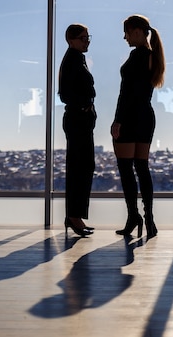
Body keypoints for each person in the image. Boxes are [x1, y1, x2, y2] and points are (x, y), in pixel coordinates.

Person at [111, 14, 165, 238]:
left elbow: (127, 94)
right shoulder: (153, 56)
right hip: (146, 116)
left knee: (125, 168)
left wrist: (118, 120)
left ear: (137, 31)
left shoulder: (137, 56)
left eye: (127, 32)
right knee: (142, 168)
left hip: (131, 116)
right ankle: (149, 220)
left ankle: (134, 216)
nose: (124, 37)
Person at [58, 24, 96, 237]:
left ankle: (75, 216)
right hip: (77, 120)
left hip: (80, 120)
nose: (86, 41)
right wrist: (83, 105)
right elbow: (65, 94)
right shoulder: (72, 59)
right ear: (71, 40)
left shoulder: (77, 58)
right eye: (83, 38)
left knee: (83, 167)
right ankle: (74, 217)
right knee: (80, 168)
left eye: (88, 37)